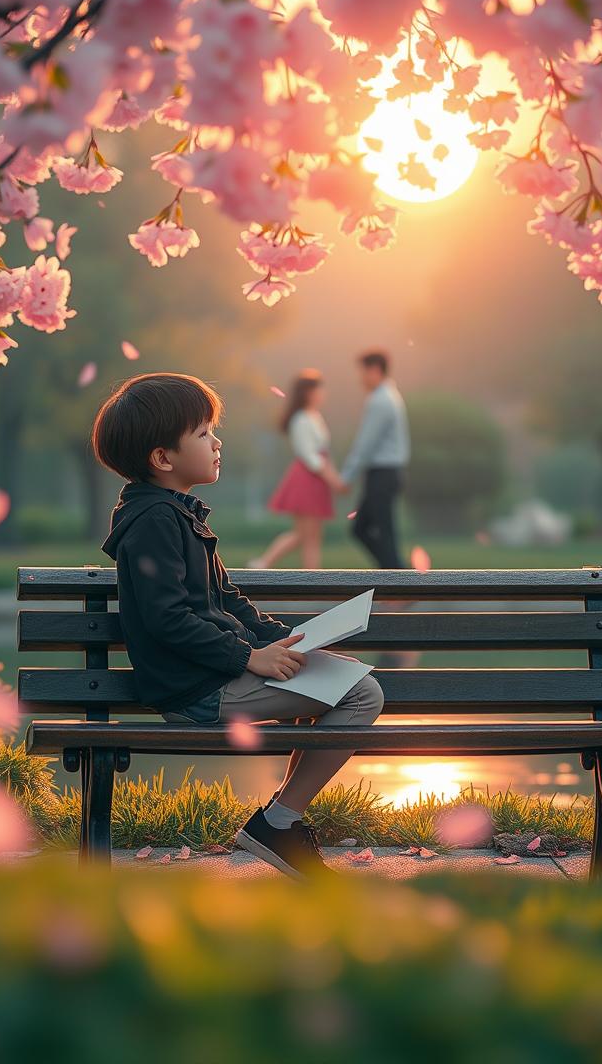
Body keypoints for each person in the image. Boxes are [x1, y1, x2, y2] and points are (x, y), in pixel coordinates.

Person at [92, 372, 384, 879]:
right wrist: (249, 657)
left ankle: (279, 822)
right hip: (197, 690)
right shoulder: (156, 523)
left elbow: (227, 600)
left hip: (212, 678)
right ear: (163, 458)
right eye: (204, 433)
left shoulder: (176, 514)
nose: (216, 440)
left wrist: (286, 641)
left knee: (344, 677)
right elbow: (168, 619)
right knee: (361, 694)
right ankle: (278, 824)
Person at [249, 369, 347, 570]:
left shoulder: (313, 416)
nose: (323, 394)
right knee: (305, 534)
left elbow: (322, 452)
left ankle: (308, 575)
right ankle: (267, 564)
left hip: (316, 478)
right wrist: (332, 478)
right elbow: (310, 456)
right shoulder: (301, 419)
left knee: (311, 534)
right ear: (308, 393)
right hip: (307, 479)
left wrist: (333, 476)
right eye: (319, 390)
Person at [341, 349, 410, 569]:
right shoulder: (389, 395)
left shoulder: (380, 401)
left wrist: (346, 477)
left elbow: (365, 445)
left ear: (375, 370)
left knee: (378, 531)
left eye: (363, 372)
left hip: (382, 474)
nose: (360, 378)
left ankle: (401, 582)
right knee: (366, 528)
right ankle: (398, 578)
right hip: (387, 473)